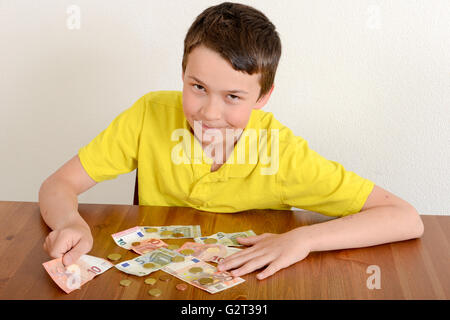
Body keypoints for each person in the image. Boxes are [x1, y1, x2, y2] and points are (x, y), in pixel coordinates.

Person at [39, 2, 423, 280]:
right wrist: (70, 221)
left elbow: (405, 218)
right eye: (198, 87)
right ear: (183, 74)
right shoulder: (148, 114)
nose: (209, 112)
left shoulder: (283, 153)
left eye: (233, 97)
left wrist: (303, 239)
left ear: (263, 97)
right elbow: (58, 184)